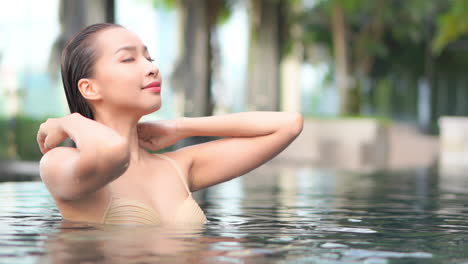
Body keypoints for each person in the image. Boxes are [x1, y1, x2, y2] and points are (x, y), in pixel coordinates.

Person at [36, 23, 303, 227]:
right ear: (90, 88)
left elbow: (288, 125)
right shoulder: (59, 163)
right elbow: (113, 153)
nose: (152, 68)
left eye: (149, 58)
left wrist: (180, 127)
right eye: (128, 59)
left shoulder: (178, 167)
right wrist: (72, 121)